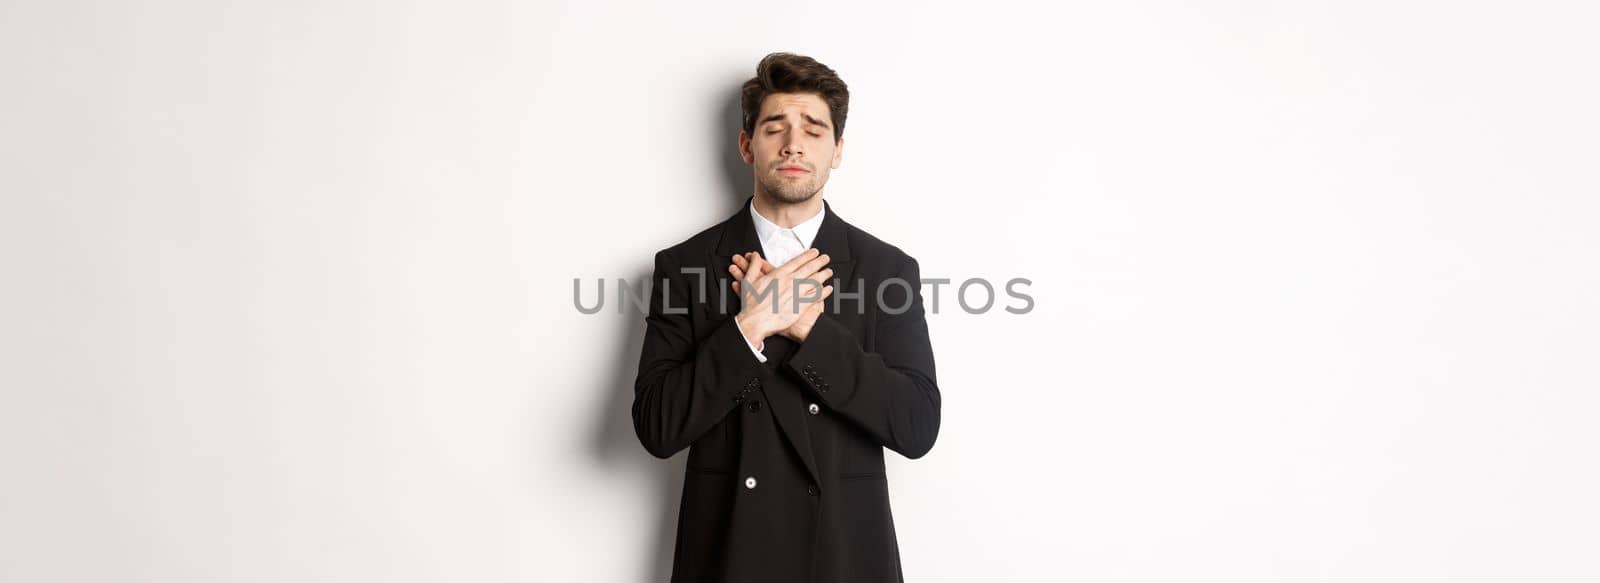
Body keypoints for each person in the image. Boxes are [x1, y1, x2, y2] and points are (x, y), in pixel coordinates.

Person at [633, 51, 941, 583]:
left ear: (837, 150)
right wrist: (750, 326)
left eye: (814, 130)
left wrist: (811, 330)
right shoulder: (684, 265)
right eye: (775, 127)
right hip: (728, 554)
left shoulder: (887, 269)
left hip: (844, 556)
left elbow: (916, 426)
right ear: (747, 145)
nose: (794, 143)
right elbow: (658, 428)